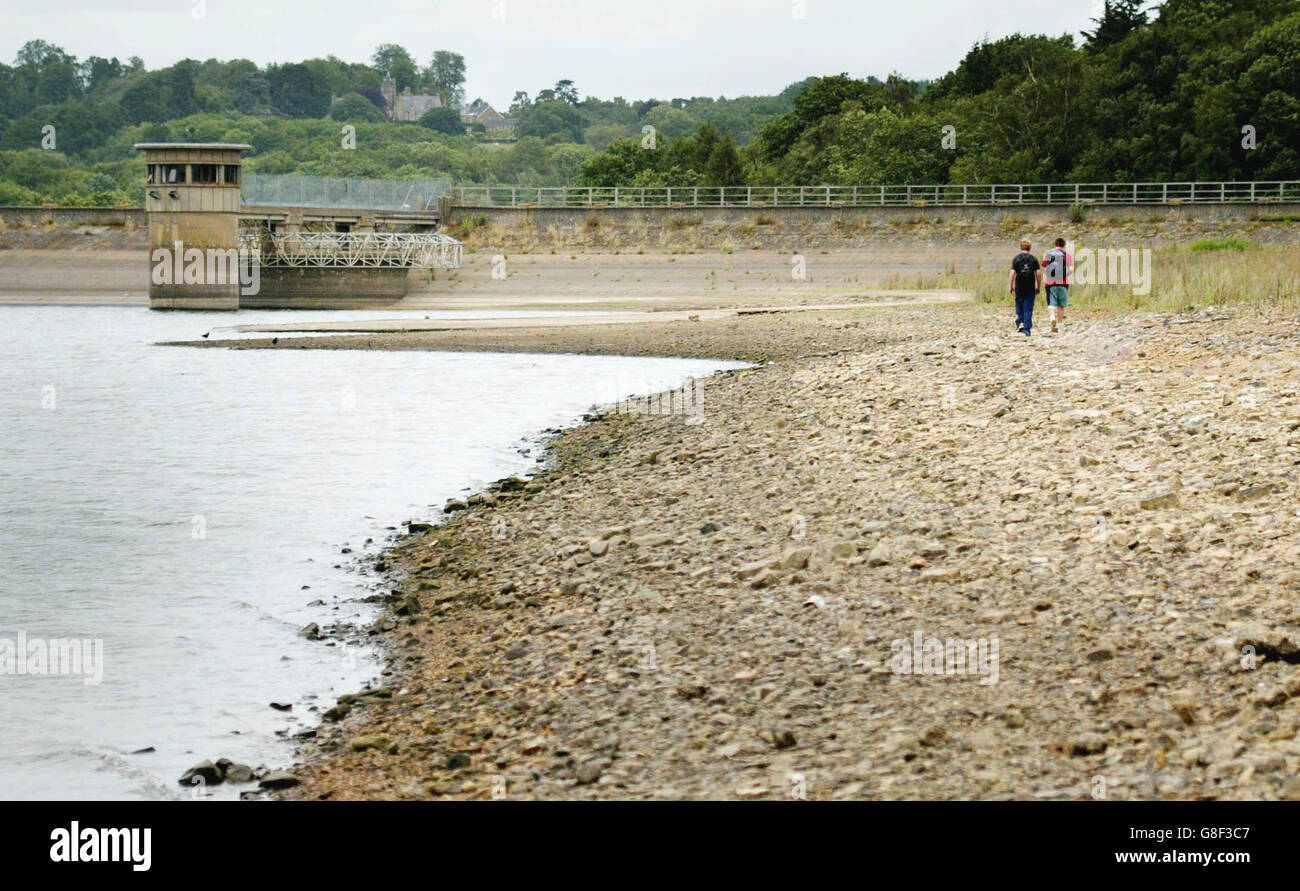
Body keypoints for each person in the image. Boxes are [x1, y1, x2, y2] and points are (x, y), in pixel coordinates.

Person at [1008, 240, 1041, 337]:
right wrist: (1038, 286)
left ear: (1021, 247)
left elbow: (1012, 273)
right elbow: (1038, 274)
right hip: (1030, 285)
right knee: (1028, 306)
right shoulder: (1033, 259)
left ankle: (1020, 321)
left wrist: (1010, 285)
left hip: (1019, 285)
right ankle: (1027, 329)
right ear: (1029, 247)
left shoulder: (1016, 259)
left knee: (1019, 303)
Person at [1043, 237, 1073, 333]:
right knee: (1061, 305)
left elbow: (1044, 268)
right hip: (1062, 283)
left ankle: (1052, 318)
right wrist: (1065, 275)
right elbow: (1071, 270)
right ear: (1064, 245)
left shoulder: (1048, 254)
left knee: (1051, 303)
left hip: (1050, 283)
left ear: (1055, 245)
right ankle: (1059, 326)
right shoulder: (1066, 255)